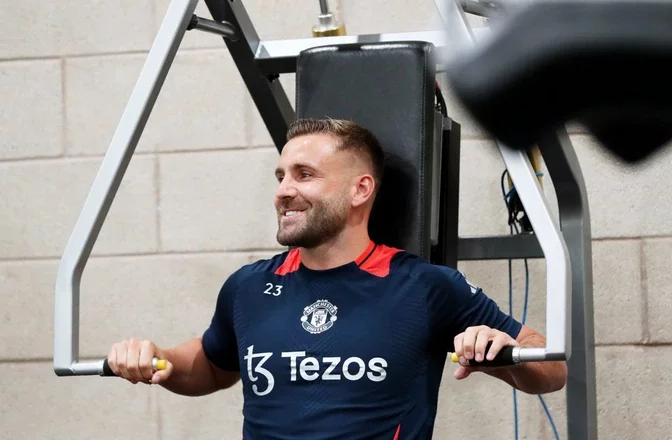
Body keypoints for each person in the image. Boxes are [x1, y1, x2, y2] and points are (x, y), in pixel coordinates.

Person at [107, 118, 568, 439]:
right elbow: (211, 365)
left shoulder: (424, 286)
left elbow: (552, 370)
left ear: (359, 189)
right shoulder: (247, 287)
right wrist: (157, 360)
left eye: (304, 175)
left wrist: (501, 351)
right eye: (281, 175)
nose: (284, 190)